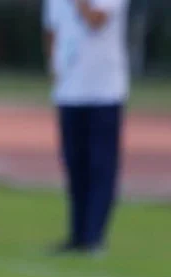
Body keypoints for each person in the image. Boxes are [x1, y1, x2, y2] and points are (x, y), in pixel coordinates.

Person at [42, 0, 130, 256]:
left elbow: (96, 20)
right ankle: (77, 234)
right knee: (74, 163)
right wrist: (53, 67)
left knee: (100, 164)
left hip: (104, 91)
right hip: (69, 90)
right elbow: (50, 30)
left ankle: (94, 236)